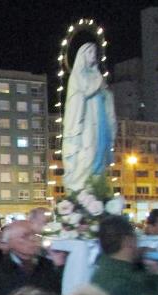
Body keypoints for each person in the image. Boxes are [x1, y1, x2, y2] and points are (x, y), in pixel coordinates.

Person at [61, 42, 116, 192]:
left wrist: (105, 94)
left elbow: (105, 94)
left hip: (100, 119)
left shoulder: (97, 75)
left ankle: (96, 186)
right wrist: (97, 82)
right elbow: (83, 92)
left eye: (95, 52)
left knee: (100, 149)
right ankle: (81, 187)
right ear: (83, 55)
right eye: (90, 52)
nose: (94, 55)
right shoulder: (78, 75)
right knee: (88, 152)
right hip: (85, 120)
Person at [0, 220, 62, 295]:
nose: (33, 239)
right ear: (9, 242)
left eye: (34, 234)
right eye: (25, 236)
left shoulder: (50, 265)